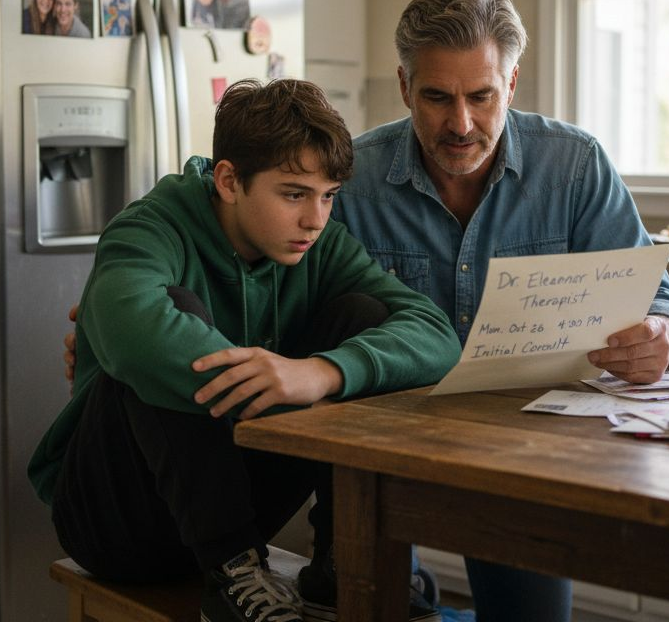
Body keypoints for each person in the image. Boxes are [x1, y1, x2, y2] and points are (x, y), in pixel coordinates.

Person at [63, 0, 669, 620]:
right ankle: (323, 564)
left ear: (511, 85)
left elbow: (665, 304)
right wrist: (115, 331)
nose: (461, 123)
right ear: (404, 87)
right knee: (384, 593)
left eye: (481, 96)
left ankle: (338, 571)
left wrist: (664, 335)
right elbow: (199, 308)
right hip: (382, 439)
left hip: (521, 436)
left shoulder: (573, 165)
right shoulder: (347, 176)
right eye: (437, 97)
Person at [30, 79, 460, 622]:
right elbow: (131, 332)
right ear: (230, 181)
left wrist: (321, 373)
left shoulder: (319, 245)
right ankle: (232, 569)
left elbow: (437, 334)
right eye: (294, 194)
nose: (316, 219)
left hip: (237, 504)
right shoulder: (150, 228)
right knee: (170, 320)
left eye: (328, 195)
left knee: (363, 315)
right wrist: (287, 396)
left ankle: (343, 561)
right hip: (116, 524)